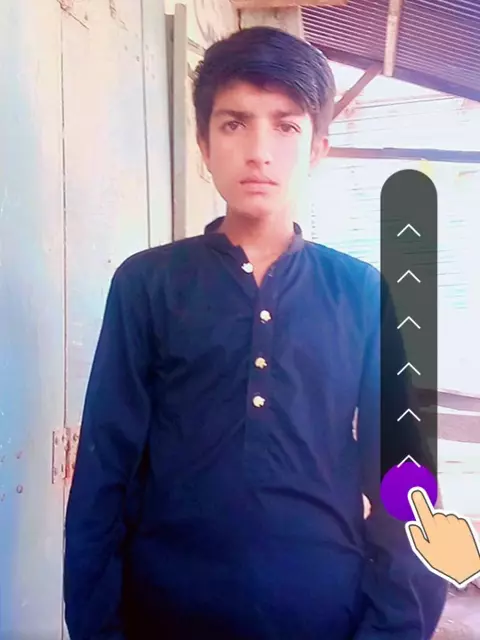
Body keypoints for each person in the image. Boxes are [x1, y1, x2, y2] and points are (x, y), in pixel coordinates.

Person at [64, 26, 447, 640]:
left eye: (286, 126)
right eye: (235, 123)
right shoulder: (148, 284)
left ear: (318, 147)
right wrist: (97, 624)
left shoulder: (360, 292)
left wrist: (393, 627)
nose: (259, 151)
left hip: (325, 614)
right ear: (203, 142)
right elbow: (103, 472)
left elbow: (407, 484)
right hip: (165, 615)